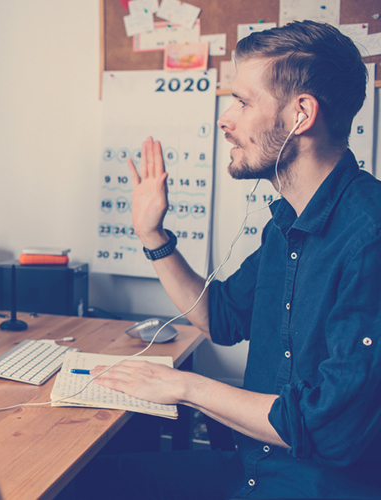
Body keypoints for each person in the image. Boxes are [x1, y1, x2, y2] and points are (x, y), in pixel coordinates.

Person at [72, 21, 381, 499]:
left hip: (315, 487)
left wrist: (184, 388)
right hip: (252, 468)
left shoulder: (369, 237)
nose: (226, 119)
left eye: (242, 101)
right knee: (82, 482)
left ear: (301, 114)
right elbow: (219, 317)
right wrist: (152, 235)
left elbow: (330, 431)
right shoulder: (285, 224)